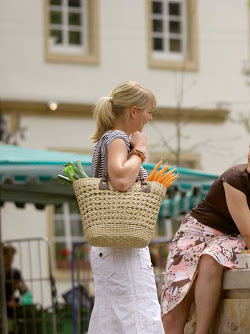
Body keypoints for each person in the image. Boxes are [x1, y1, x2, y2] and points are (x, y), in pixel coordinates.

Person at [161, 130, 250, 334]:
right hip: (194, 232)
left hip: (231, 239)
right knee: (173, 314)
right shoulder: (235, 179)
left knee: (211, 259)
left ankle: (202, 332)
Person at [87, 80, 164, 333]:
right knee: (132, 319)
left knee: (115, 317)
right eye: (148, 111)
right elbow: (120, 179)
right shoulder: (118, 138)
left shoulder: (107, 139)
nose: (149, 118)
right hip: (121, 246)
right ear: (134, 111)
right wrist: (140, 150)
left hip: (111, 245)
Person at [3, 245, 28, 318]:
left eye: (12, 257)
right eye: (7, 256)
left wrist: (21, 288)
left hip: (12, 307)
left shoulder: (15, 273)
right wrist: (7, 304)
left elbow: (26, 294)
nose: (10, 260)